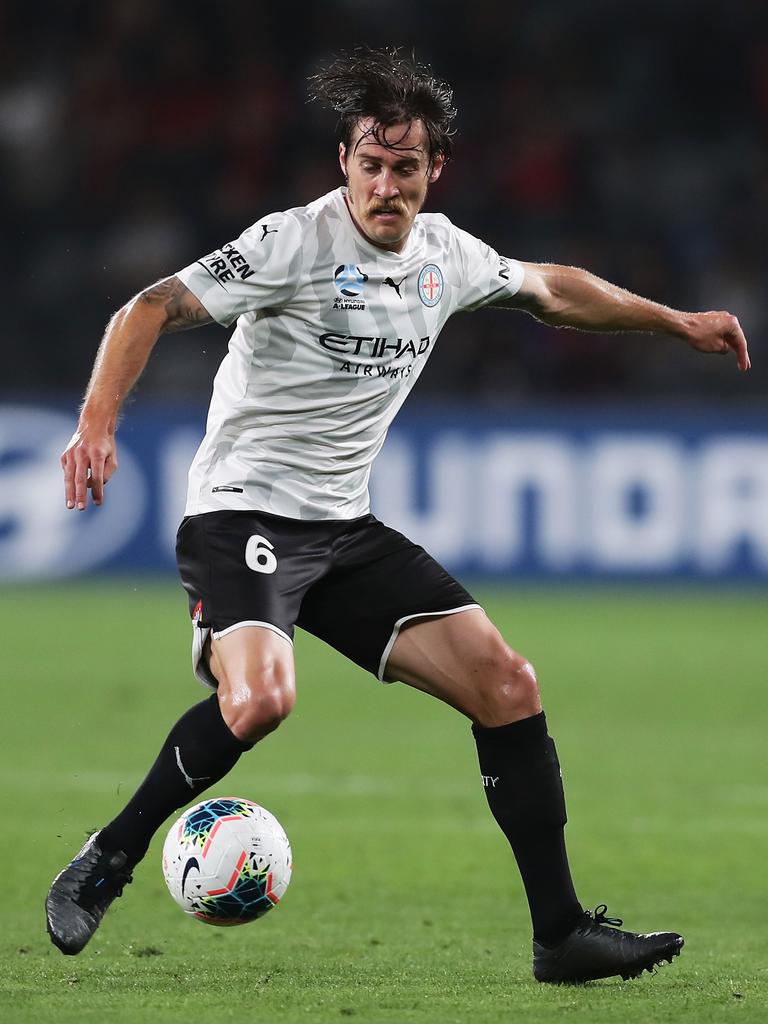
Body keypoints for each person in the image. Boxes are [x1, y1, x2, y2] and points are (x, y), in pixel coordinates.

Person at [46, 48, 750, 983]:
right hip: (241, 512)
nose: (387, 185)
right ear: (344, 162)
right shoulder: (287, 243)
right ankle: (109, 857)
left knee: (508, 685)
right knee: (261, 701)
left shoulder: (446, 256)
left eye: (405, 168)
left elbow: (555, 287)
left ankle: (561, 934)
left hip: (342, 529)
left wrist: (678, 322)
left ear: (434, 171)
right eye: (371, 165)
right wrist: (97, 426)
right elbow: (147, 308)